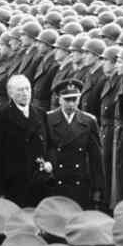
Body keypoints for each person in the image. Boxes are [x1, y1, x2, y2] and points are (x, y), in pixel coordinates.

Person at [0, 74, 49, 207]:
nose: (25, 93)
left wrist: (50, 163)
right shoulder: (0, 119)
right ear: (10, 93)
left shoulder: (41, 114)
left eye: (27, 89)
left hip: (39, 183)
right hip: (14, 185)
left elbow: (50, 145)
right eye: (20, 90)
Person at [44, 79, 104, 208]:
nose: (71, 104)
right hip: (55, 181)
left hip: (79, 181)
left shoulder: (89, 121)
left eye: (75, 100)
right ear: (59, 99)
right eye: (67, 100)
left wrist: (97, 188)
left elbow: (96, 158)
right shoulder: (48, 119)